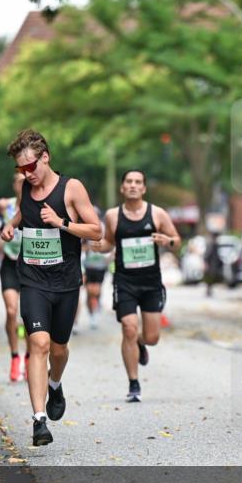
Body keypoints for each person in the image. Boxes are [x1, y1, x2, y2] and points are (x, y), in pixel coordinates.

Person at [0, 129, 102, 446]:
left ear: (46, 158)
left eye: (31, 167)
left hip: (66, 282)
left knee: (58, 349)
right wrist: (10, 225)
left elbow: (96, 231)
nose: (26, 174)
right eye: (21, 169)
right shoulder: (26, 189)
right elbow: (23, 210)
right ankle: (38, 420)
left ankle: (55, 384)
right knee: (38, 344)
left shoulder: (71, 189)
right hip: (31, 278)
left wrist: (62, 223)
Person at [89, 169, 181, 403]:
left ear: (144, 188)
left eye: (138, 182)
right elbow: (109, 241)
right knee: (129, 328)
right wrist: (98, 246)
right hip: (125, 281)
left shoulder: (157, 213)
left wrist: (167, 241)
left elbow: (176, 240)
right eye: (128, 181)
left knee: (152, 337)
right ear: (122, 188)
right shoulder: (113, 215)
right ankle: (133, 383)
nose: (133, 185)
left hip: (150, 282)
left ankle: (141, 343)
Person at [0, 173, 28, 381]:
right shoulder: (4, 206)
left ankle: (31, 358)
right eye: (18, 181)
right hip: (10, 264)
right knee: (12, 311)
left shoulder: (36, 203)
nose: (22, 183)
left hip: (31, 265)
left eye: (26, 180)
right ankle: (15, 357)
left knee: (30, 316)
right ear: (13, 185)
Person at [82, 211, 110, 330]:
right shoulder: (85, 228)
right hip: (88, 265)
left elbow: (110, 244)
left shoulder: (104, 229)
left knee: (97, 290)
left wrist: (108, 256)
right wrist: (88, 247)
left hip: (100, 265)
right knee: (89, 291)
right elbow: (81, 247)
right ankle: (91, 313)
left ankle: (97, 306)